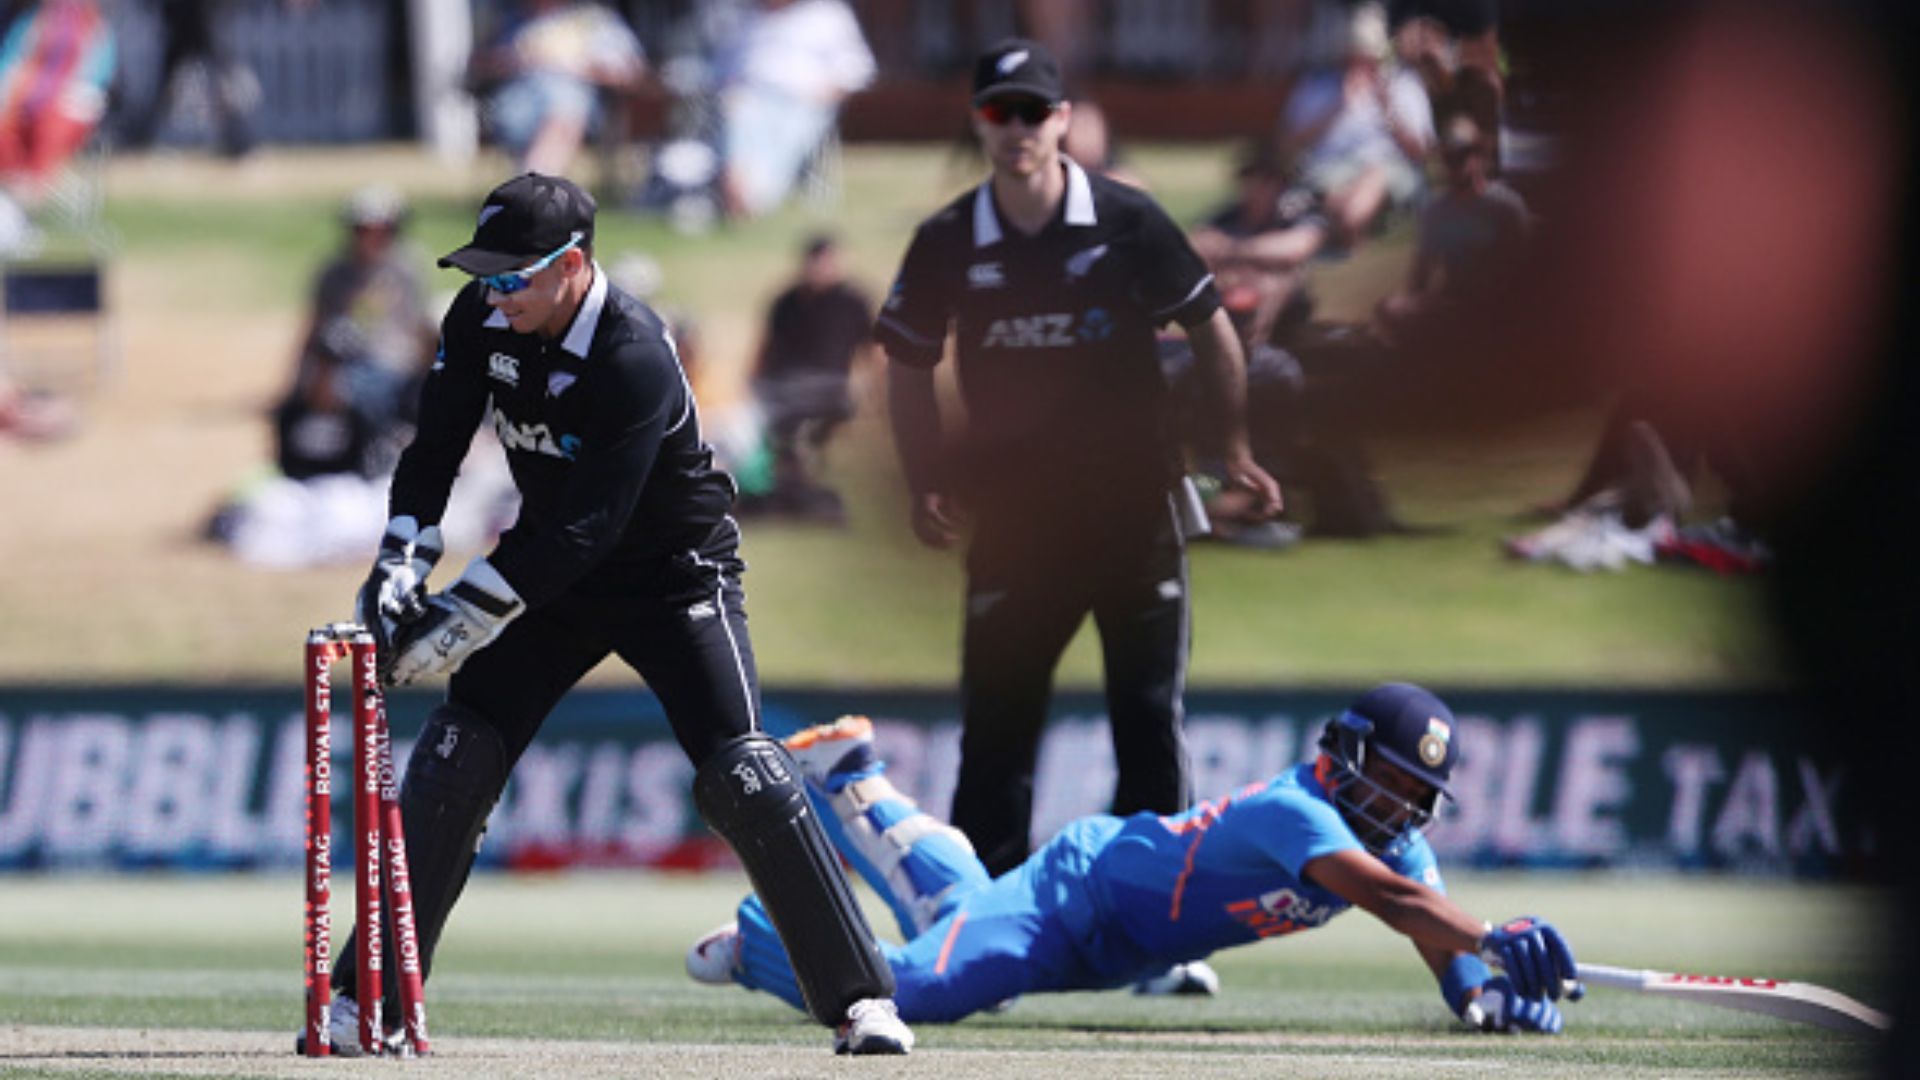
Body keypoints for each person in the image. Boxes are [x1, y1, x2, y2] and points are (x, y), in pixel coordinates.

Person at [315, 172, 913, 1056]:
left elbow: (588, 527)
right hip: (552, 579)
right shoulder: (482, 317)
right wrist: (402, 556)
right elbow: (434, 444)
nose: (496, 293)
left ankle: (862, 1004)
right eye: (486, 274)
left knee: (746, 772)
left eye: (513, 276)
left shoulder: (634, 352)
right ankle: (372, 1000)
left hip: (672, 578)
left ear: (572, 265)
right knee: (456, 749)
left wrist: (460, 618)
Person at [875, 38, 1282, 878]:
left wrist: (1232, 447)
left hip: (1134, 514)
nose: (1017, 128)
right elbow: (907, 365)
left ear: (1062, 119)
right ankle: (981, 916)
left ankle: (1153, 910)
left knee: (1146, 718)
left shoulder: (1129, 220)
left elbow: (1212, 330)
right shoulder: (948, 239)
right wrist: (925, 479)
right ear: (979, 122)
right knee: (998, 726)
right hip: (1016, 525)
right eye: (1000, 111)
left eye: (1033, 111)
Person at [687, 684, 1585, 1034]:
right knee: (906, 991)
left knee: (967, 943)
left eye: (1414, 796)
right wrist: (1494, 938)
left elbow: (1438, 941)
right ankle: (761, 934)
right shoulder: (1296, 811)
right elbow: (1399, 904)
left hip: (1114, 950)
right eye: (1386, 782)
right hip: (1073, 901)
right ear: (1341, 756)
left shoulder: (1400, 846)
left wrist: (1481, 997)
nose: (1398, 808)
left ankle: (856, 779)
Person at [272, 185, 436, 481]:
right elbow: (316, 328)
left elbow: (420, 327)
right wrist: (297, 381)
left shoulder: (407, 268)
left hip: (394, 363)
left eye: (382, 230)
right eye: (363, 230)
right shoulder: (333, 273)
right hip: (345, 362)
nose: (372, 238)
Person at [1278, 1, 1434, 247]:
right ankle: (1338, 235)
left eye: (1366, 59)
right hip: (1328, 171)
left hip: (1386, 171)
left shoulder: (1403, 85)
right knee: (1337, 194)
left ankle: (1339, 231)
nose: (1359, 66)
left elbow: (1420, 151)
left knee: (1373, 177)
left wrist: (1387, 110)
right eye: (1352, 58)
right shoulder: (1316, 85)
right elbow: (1288, 144)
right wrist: (1336, 108)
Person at [714, 0, 875, 219]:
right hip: (749, 99)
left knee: (785, 133)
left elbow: (856, 70)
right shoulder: (744, 16)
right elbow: (721, 69)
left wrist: (823, 94)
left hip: (803, 102)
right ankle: (738, 185)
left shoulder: (827, 15)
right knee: (739, 112)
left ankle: (752, 196)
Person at [468, 0, 645, 176]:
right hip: (514, 107)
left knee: (566, 103)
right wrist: (514, 60)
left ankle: (534, 179)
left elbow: (630, 73)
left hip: (578, 106)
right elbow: (478, 64)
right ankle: (535, 182)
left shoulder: (595, 20)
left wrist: (576, 66)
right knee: (556, 106)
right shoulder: (512, 18)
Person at [0, 0, 114, 218]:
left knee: (53, 126)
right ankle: (13, 188)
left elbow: (97, 73)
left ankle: (33, 188)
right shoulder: (33, 23)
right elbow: (11, 60)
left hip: (65, 107)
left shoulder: (94, 29)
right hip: (23, 103)